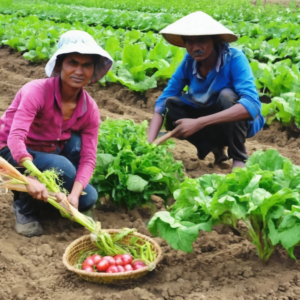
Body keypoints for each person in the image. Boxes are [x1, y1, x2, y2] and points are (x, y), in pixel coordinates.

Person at [0, 30, 113, 237]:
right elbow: (16, 138)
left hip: (48, 152)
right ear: (60, 64)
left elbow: (88, 158)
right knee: (61, 167)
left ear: (93, 69)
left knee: (89, 198)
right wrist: (30, 178)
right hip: (11, 151)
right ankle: (23, 206)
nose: (79, 71)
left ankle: (45, 200)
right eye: (73, 63)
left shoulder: (90, 108)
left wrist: (76, 196)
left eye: (86, 65)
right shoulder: (36, 91)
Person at [147, 12, 264, 169]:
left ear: (214, 39)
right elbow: (163, 101)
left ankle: (239, 159)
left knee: (227, 96)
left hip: (236, 121)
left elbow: (252, 105)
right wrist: (148, 144)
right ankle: (216, 148)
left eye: (201, 40)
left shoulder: (234, 58)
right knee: (171, 105)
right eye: (190, 42)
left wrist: (199, 123)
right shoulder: (189, 62)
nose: (195, 48)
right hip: (206, 114)